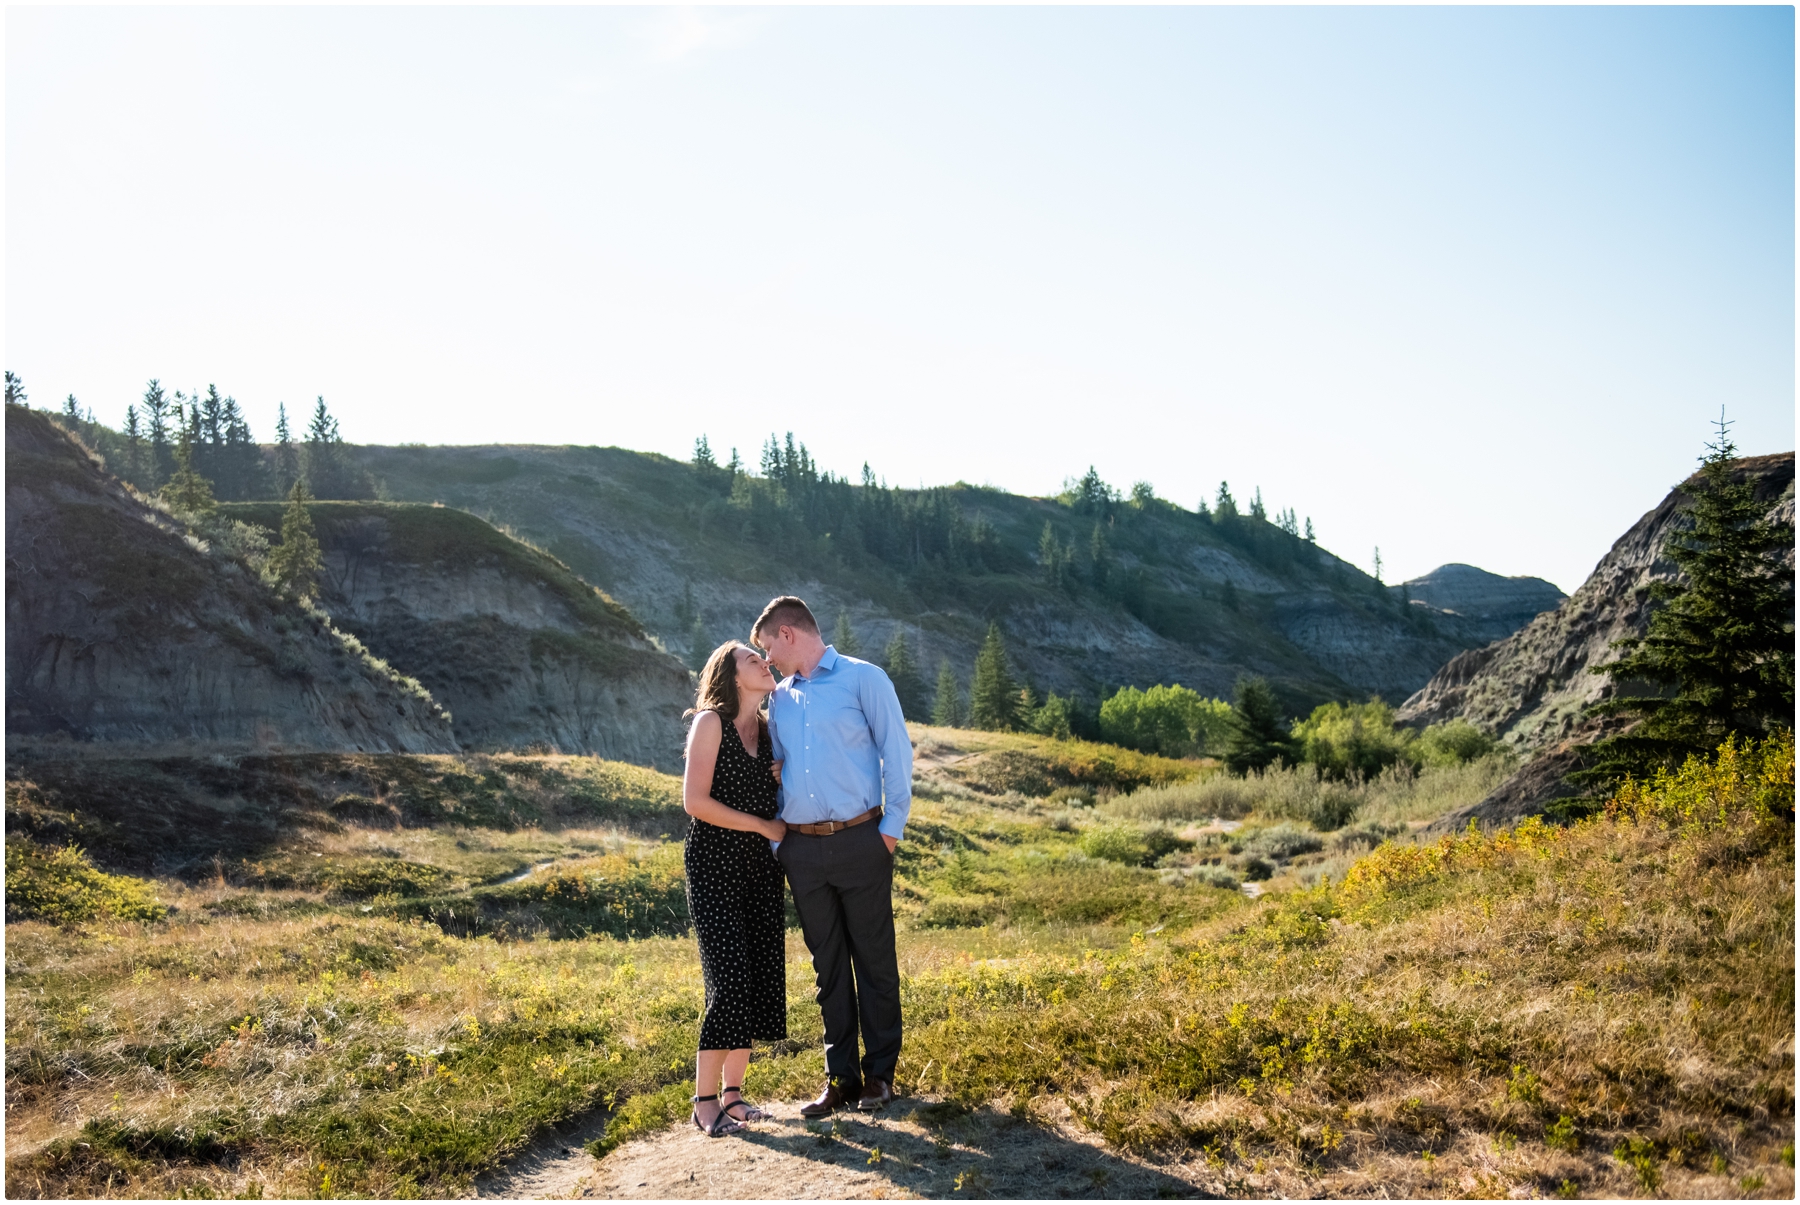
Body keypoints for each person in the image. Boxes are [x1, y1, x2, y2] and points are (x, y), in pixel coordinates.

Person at [752, 596, 912, 1116]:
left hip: (861, 841)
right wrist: (782, 844)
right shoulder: (779, 699)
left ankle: (880, 1076)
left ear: (789, 633)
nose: (768, 659)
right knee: (828, 970)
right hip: (801, 850)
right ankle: (839, 1079)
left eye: (768, 646)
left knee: (874, 961)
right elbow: (776, 769)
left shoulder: (865, 679)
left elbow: (897, 753)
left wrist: (889, 831)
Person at [680, 641, 789, 1137]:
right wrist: (763, 827)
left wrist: (782, 776)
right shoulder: (711, 723)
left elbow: (780, 794)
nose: (764, 664)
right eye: (753, 660)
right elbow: (695, 802)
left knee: (759, 978)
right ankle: (704, 1104)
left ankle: (735, 1097)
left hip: (761, 874)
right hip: (714, 868)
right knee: (728, 983)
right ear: (731, 674)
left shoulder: (769, 733)